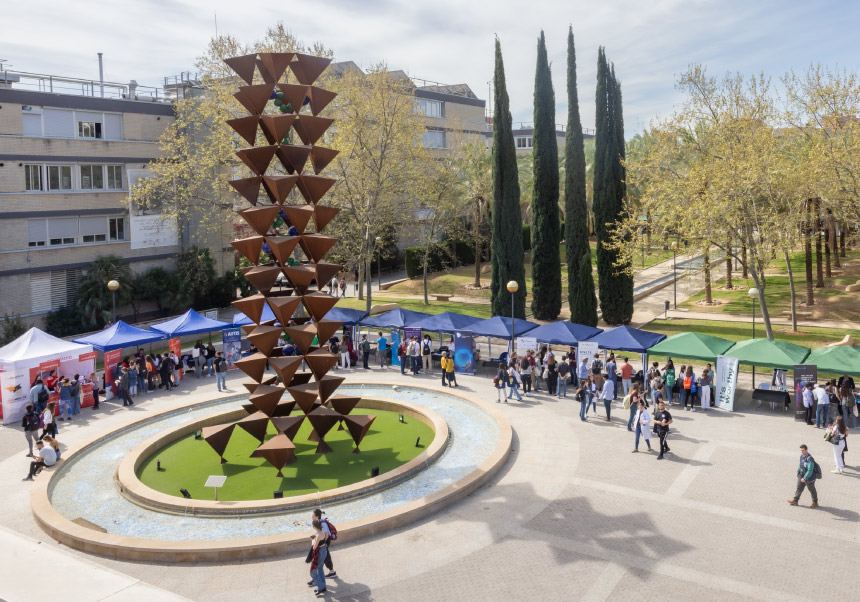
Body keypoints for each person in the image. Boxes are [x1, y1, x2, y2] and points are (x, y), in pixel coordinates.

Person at [311, 509, 337, 580]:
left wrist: (323, 543)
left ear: (316, 516)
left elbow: (326, 535)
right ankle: (331, 571)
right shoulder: (319, 521)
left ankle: (331, 572)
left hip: (325, 541)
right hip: (323, 541)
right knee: (325, 556)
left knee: (325, 556)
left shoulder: (322, 523)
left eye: (312, 515)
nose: (311, 516)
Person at [308, 518, 328, 596]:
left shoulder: (318, 535)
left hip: (319, 552)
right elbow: (326, 536)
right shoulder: (322, 530)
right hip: (324, 550)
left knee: (313, 572)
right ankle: (323, 587)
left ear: (314, 526)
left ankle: (321, 586)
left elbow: (314, 547)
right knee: (320, 569)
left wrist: (313, 540)